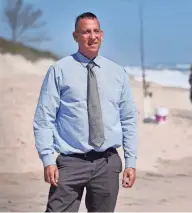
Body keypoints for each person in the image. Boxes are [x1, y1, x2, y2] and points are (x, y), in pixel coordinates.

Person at [33, 12, 138, 212]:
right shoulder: (59, 70)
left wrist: (131, 162)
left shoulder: (117, 73)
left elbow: (129, 119)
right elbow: (44, 119)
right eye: (86, 32)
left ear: (102, 34)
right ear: (75, 36)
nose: (92, 37)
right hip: (70, 162)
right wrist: (47, 160)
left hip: (107, 163)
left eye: (96, 31)